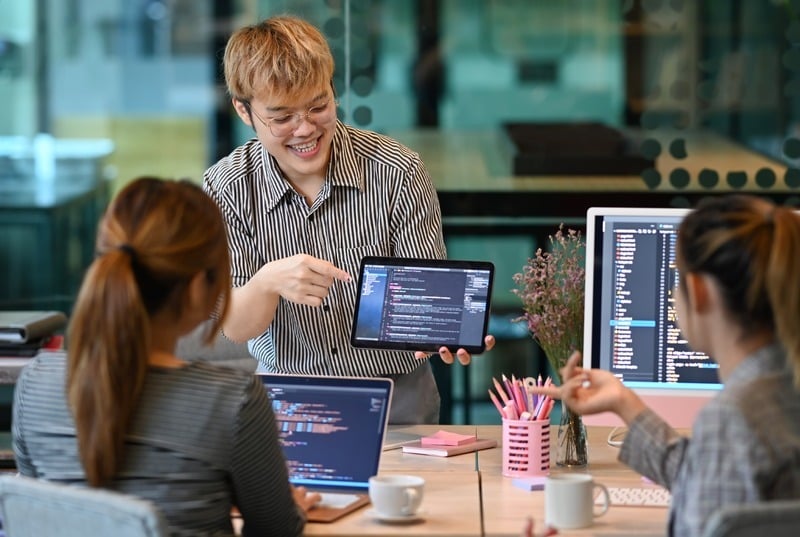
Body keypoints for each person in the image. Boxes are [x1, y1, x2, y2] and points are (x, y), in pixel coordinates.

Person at [203, 15, 493, 424]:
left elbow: (426, 302)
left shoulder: (398, 171)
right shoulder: (226, 188)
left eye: (318, 106)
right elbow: (235, 328)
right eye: (282, 117)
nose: (305, 129)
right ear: (244, 111)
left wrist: (444, 331)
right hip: (290, 399)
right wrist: (269, 282)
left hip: (397, 396)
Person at [12, 177, 320, 536]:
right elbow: (276, 531)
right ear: (195, 288)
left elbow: (42, 514)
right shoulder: (233, 399)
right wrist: (291, 509)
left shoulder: (36, 382)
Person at [533, 194, 800, 536]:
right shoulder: (781, 388)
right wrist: (625, 404)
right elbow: (708, 478)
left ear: (697, 290)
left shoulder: (734, 419)